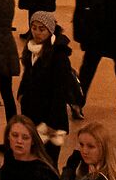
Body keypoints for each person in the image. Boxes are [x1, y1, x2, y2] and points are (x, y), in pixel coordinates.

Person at [16, 12, 82, 146]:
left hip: (51, 120)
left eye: (42, 29)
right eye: (33, 28)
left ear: (50, 31)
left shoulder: (58, 56)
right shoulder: (31, 49)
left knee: (49, 160)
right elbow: (27, 75)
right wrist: (22, 94)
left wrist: (52, 123)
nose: (37, 33)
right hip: (33, 113)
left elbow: (60, 91)